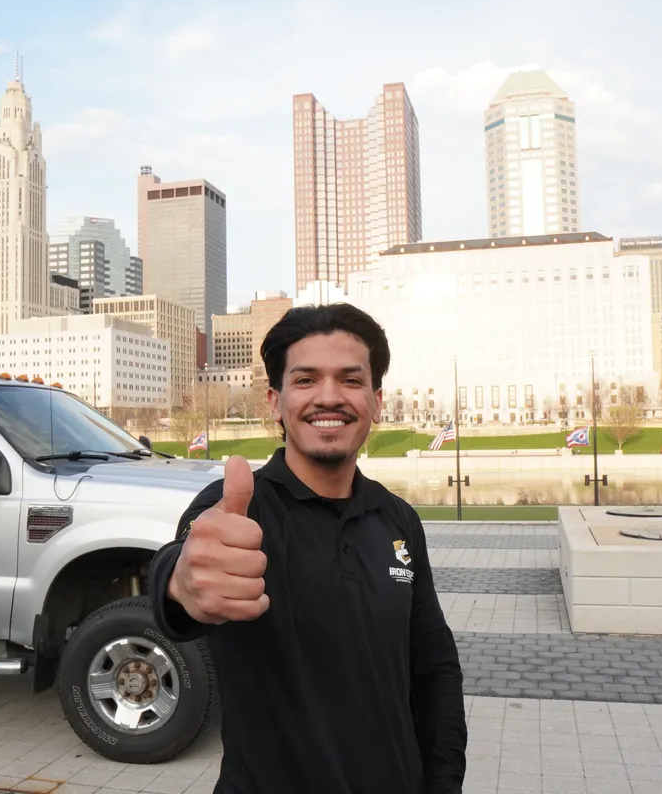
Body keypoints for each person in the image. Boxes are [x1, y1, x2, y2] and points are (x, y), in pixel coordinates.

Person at [148, 302, 467, 794]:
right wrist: (177, 581)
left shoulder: (399, 519)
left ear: (376, 401)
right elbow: (183, 570)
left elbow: (434, 668)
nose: (329, 397)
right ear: (275, 402)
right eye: (306, 380)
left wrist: (443, 785)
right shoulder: (235, 510)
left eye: (351, 380)